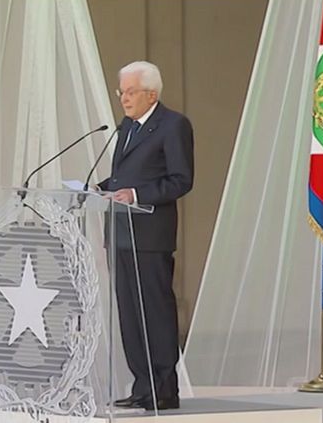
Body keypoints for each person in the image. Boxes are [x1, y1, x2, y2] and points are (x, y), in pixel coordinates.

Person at [97, 61, 194, 410]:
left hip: (150, 237)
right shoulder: (126, 127)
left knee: (154, 311)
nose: (124, 98)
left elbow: (181, 180)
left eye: (131, 91)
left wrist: (136, 195)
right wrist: (98, 189)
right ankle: (142, 386)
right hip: (121, 235)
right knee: (129, 315)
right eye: (121, 92)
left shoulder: (173, 125)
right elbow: (125, 177)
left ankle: (164, 389)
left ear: (151, 94)